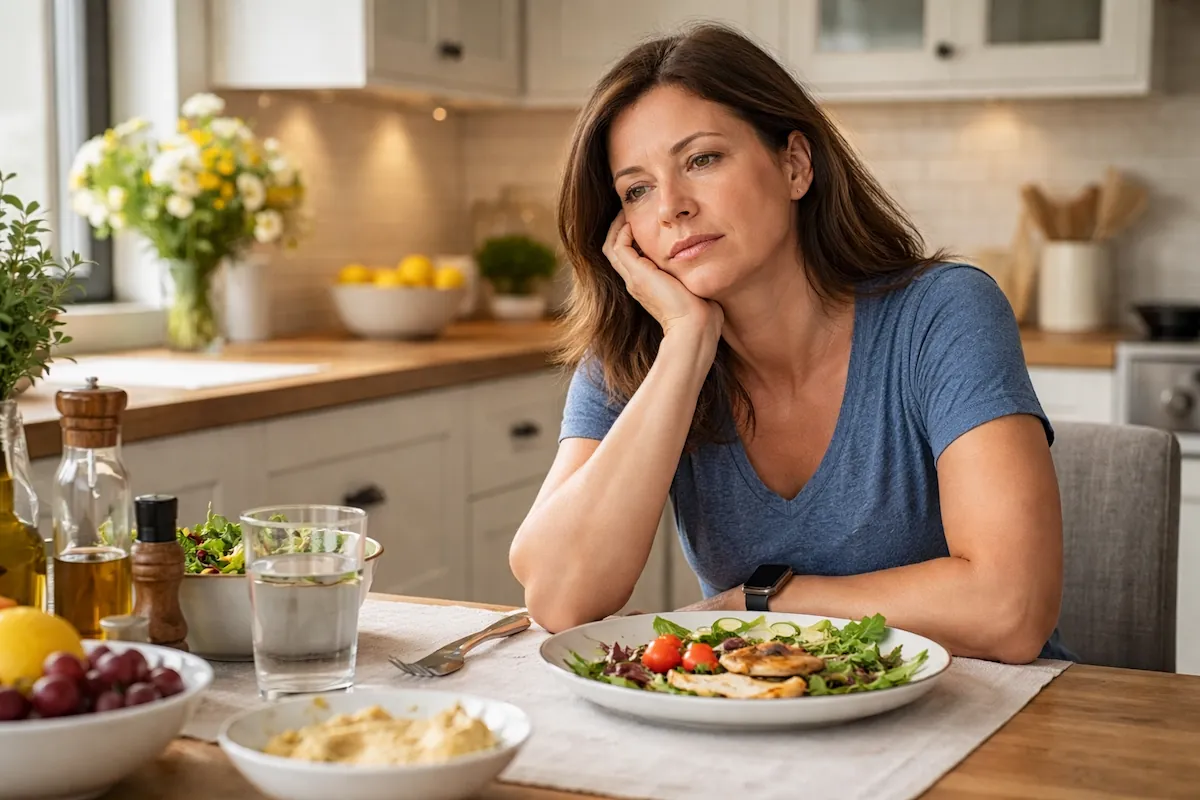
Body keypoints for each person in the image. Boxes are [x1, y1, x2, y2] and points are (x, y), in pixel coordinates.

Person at [509, 23, 1070, 664]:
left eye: (702, 160)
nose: (672, 207)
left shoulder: (943, 313)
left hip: (987, 721)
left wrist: (757, 605)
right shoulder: (639, 355)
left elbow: (1011, 611)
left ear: (794, 164)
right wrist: (688, 344)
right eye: (637, 190)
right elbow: (558, 599)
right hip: (770, 728)